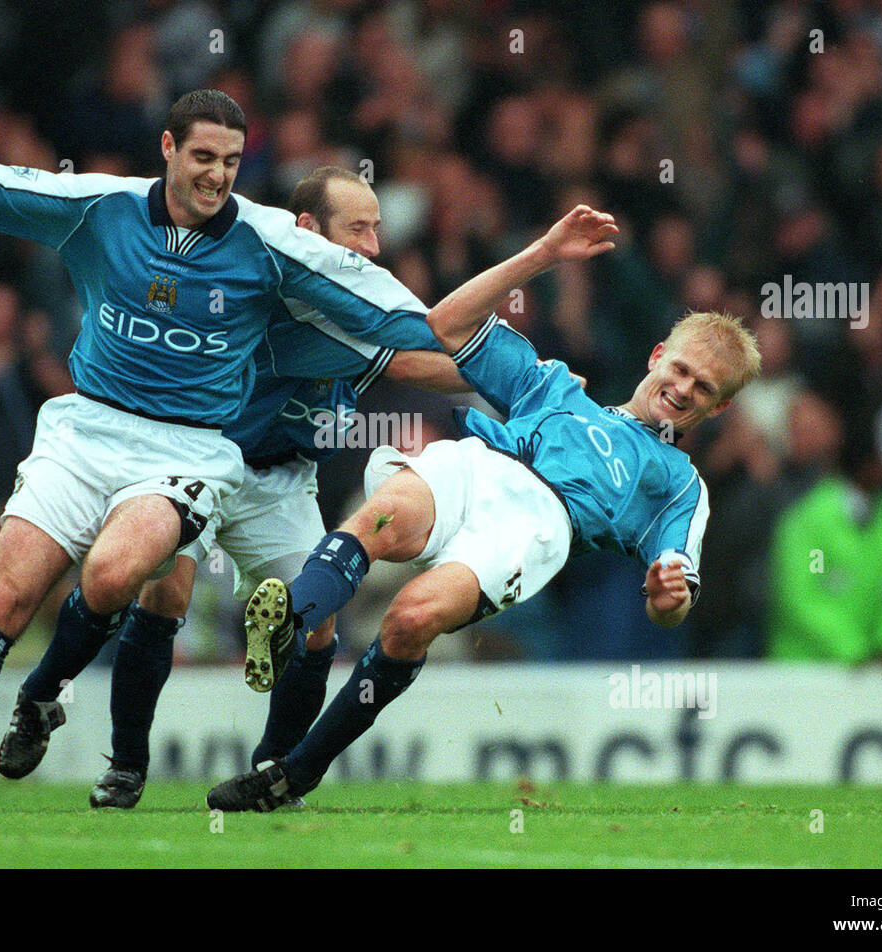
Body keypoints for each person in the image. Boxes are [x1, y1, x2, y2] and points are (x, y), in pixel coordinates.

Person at [0, 87, 442, 810]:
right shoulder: (102, 207)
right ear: (169, 149)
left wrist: (528, 379)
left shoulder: (273, 244)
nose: (217, 174)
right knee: (10, 591)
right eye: (203, 155)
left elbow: (414, 327)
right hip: (86, 427)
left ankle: (84, 704)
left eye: (232, 161)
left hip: (191, 448)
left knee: (116, 574)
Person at [207, 205, 763, 811]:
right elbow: (447, 322)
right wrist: (543, 252)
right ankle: (291, 620)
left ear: (719, 409)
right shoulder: (555, 384)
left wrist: (667, 595)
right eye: (682, 369)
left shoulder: (681, 485)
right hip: (477, 465)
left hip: (538, 527)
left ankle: (294, 773)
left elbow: (669, 606)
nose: (682, 389)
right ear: (657, 356)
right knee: (378, 521)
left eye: (703, 389)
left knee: (410, 620)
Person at [0, 166, 473, 808]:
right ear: (306, 230)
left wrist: (524, 385)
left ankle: (272, 768)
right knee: (165, 591)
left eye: (377, 229)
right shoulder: (259, 291)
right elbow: (420, 356)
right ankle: (124, 762)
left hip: (280, 480)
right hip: (198, 461)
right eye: (357, 228)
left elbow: (424, 360)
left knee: (318, 618)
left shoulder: (356, 308)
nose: (372, 246)